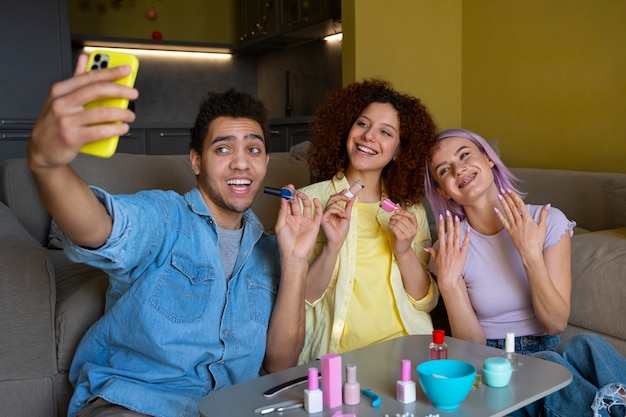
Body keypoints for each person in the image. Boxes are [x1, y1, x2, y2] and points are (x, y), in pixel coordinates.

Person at [27, 53, 322, 417]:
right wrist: (49, 166)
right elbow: (100, 227)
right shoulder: (165, 217)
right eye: (223, 148)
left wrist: (295, 260)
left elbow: (281, 365)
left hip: (226, 409)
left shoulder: (271, 249)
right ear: (196, 160)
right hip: (134, 404)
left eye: (254, 149)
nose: (242, 162)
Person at [424, 128, 626, 417]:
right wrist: (449, 285)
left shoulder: (546, 221)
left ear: (488, 159)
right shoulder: (450, 244)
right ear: (443, 190)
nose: (459, 169)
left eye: (465, 155)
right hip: (492, 367)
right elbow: (470, 347)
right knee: (547, 366)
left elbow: (555, 323)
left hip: (547, 347)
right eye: (444, 169)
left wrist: (529, 253)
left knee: (587, 345)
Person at [297, 79, 439, 364]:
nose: (368, 137)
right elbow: (301, 300)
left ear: (400, 150)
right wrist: (332, 246)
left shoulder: (412, 211)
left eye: (385, 132)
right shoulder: (308, 201)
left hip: (407, 347)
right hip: (339, 357)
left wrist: (403, 250)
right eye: (362, 124)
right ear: (347, 129)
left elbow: (425, 301)